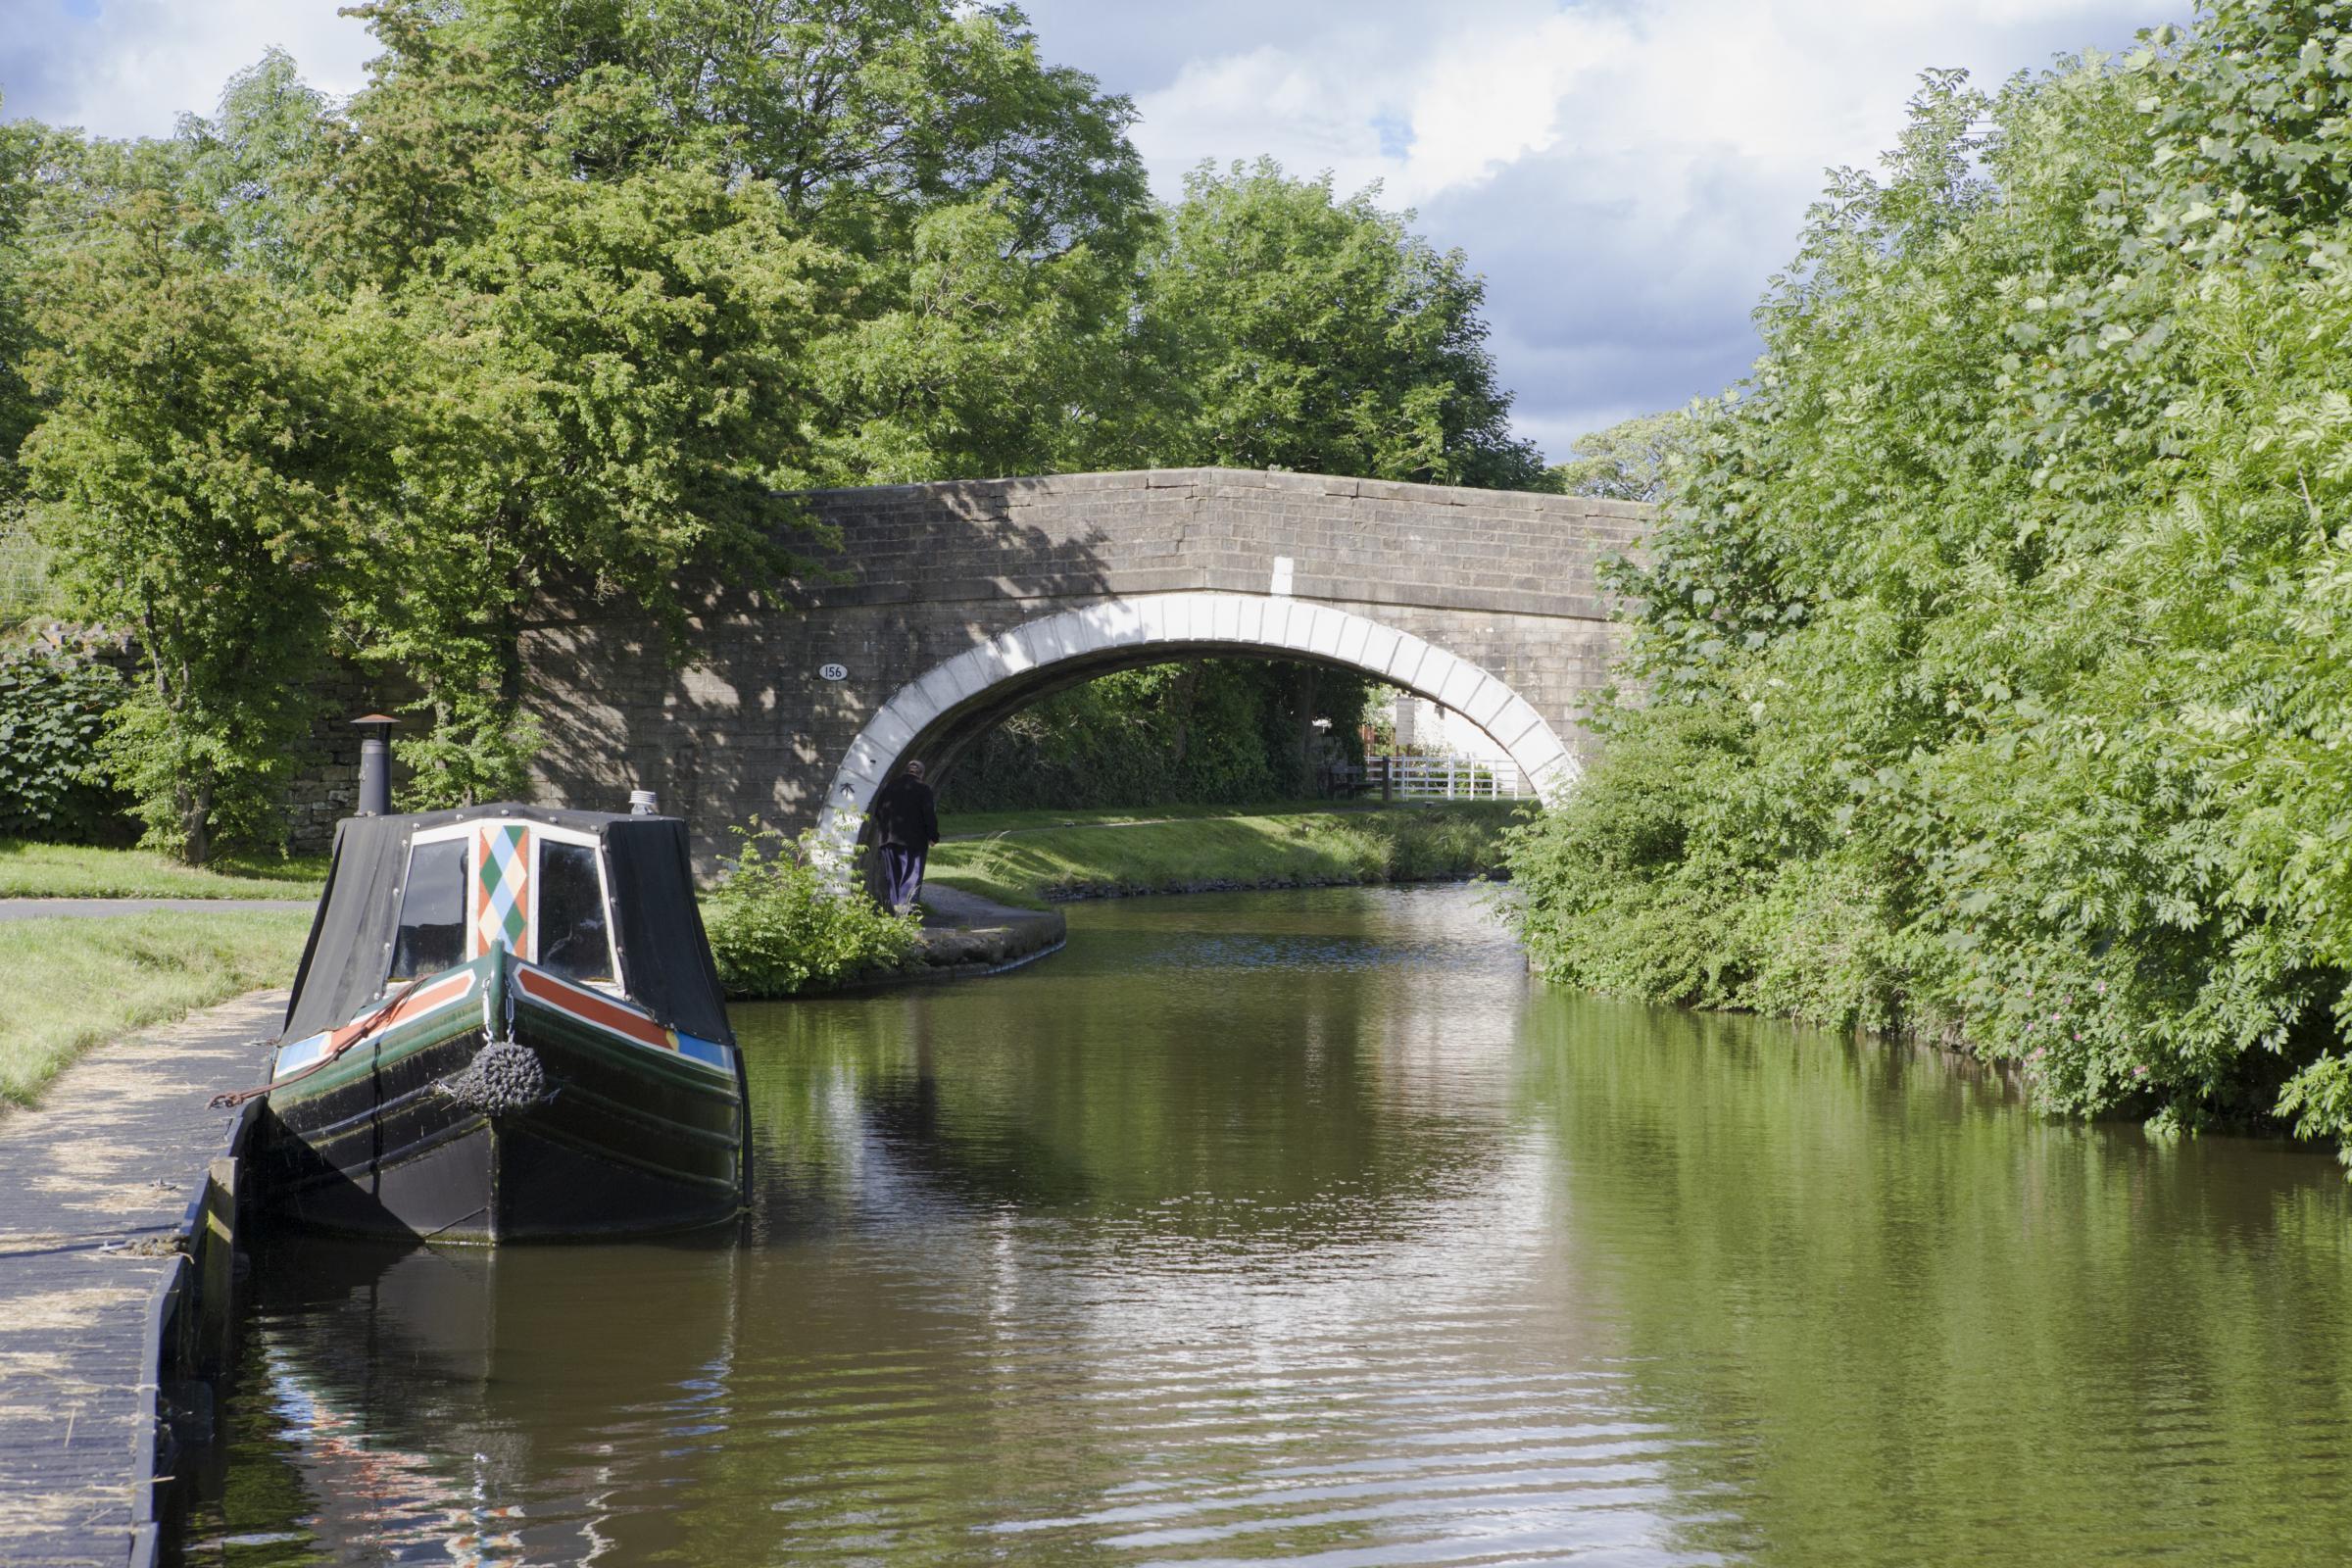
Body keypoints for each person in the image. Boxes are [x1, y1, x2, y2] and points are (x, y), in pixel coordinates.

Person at [869, 759, 941, 912]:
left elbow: (878, 812)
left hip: (888, 840)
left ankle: (896, 912)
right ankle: (905, 913)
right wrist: (933, 836)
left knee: (893, 878)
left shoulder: (889, 787)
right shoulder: (924, 789)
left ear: (906, 771)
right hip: (913, 842)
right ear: (921, 774)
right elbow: (929, 815)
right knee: (910, 877)